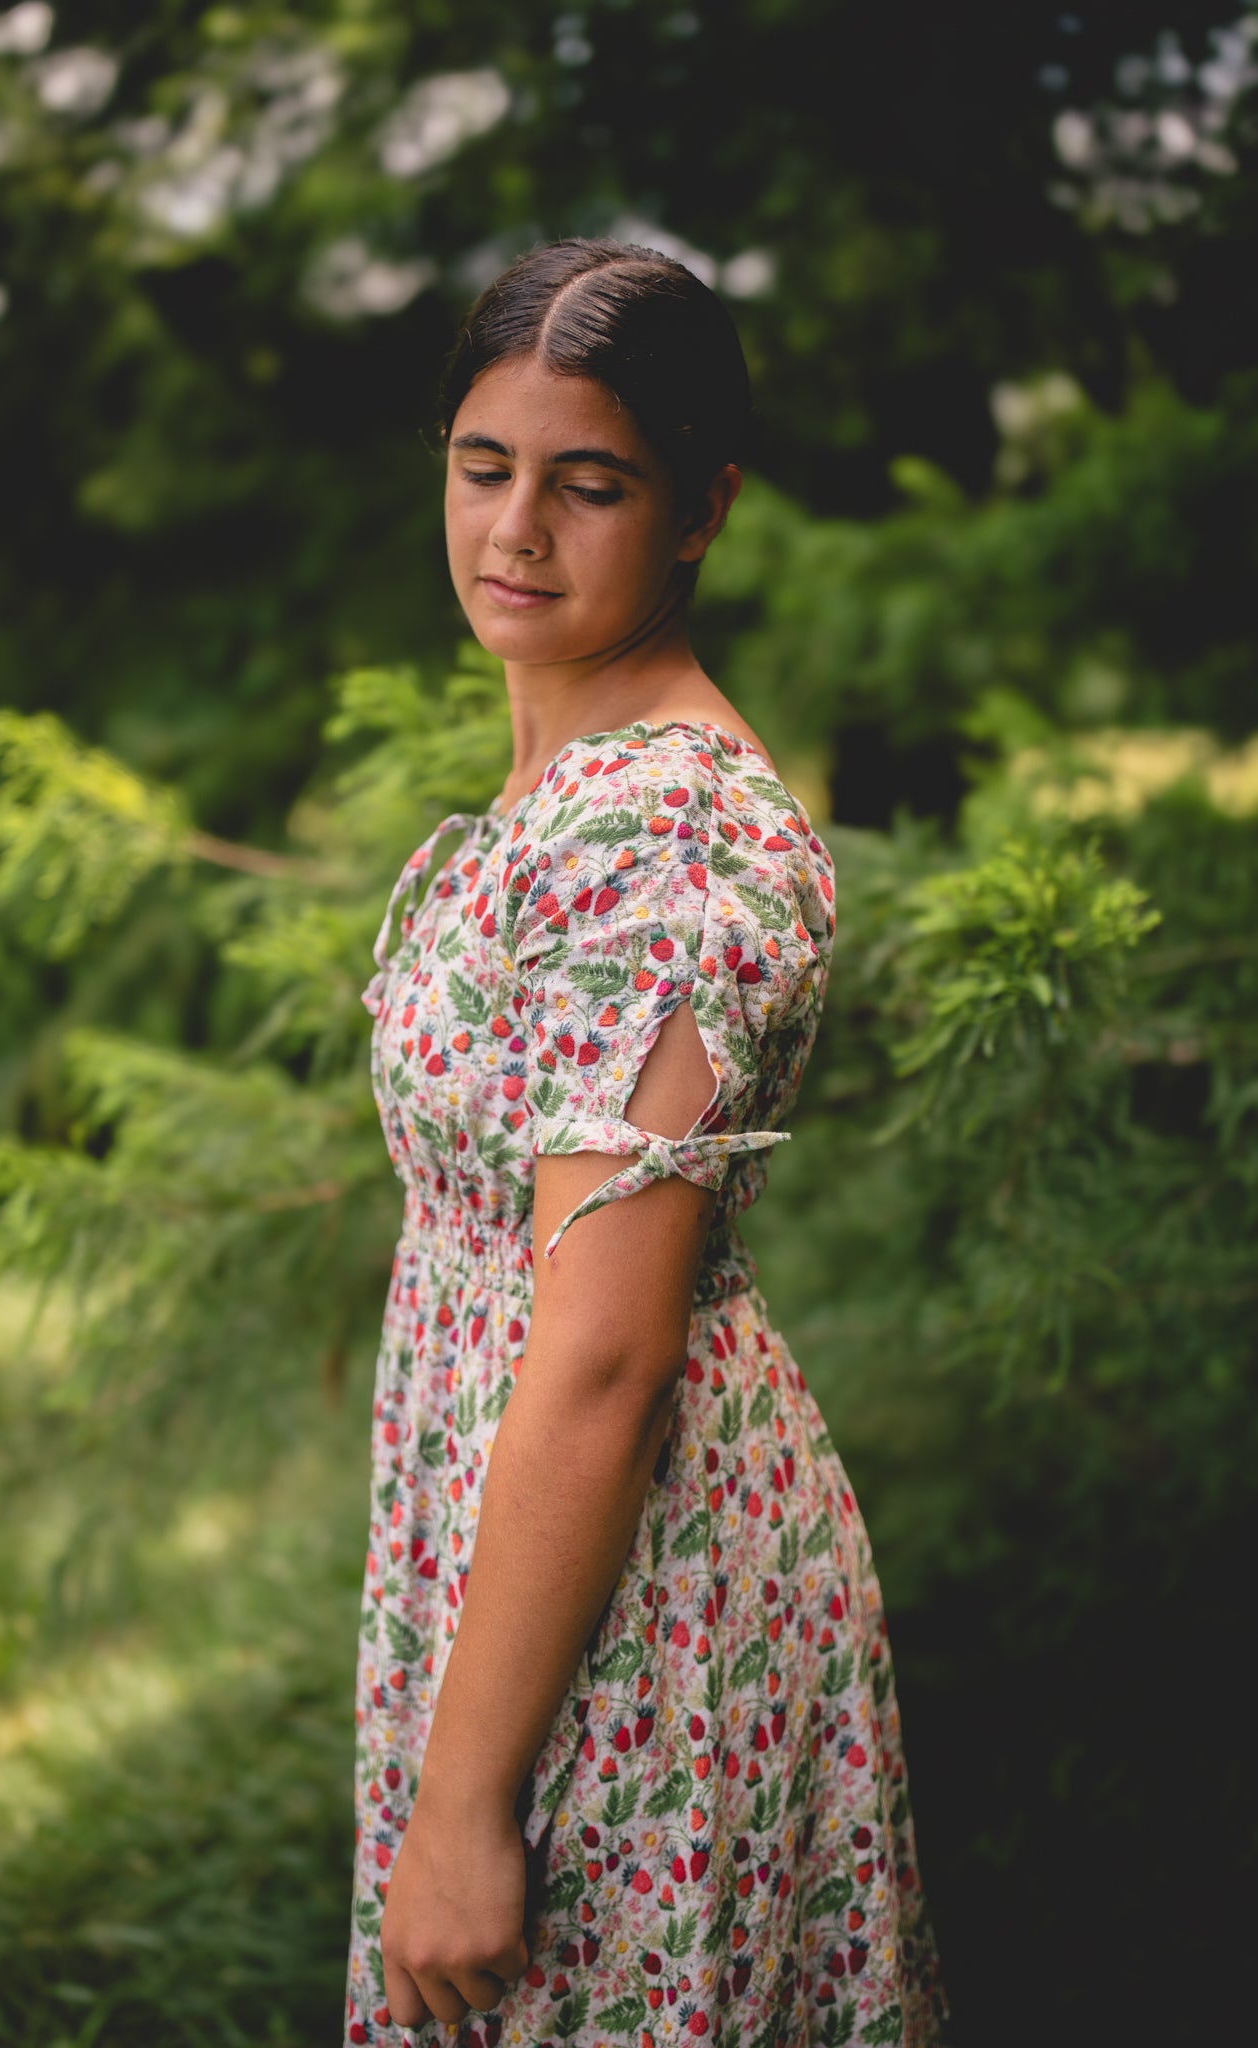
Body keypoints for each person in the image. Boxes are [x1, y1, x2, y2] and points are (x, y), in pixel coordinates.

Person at [345, 238, 948, 2048]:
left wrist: (466, 1802)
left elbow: (606, 1354)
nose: (515, 530)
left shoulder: (666, 839)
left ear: (700, 510)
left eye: (588, 484)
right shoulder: (565, 791)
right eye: (483, 467)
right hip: (515, 1546)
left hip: (636, 1592)